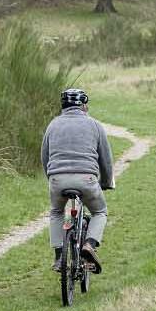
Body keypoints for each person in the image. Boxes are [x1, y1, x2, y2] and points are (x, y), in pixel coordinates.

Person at [41, 88, 112, 273]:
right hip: (86, 179)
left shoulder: (52, 125)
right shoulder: (95, 125)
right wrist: (106, 181)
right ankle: (89, 244)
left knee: (57, 211)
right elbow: (105, 158)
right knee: (100, 212)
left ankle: (58, 257)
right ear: (83, 105)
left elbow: (44, 156)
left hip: (57, 179)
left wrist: (51, 177)